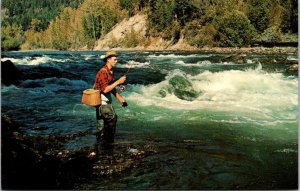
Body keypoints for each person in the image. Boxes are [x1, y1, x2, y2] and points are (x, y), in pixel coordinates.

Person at [94, 50, 127, 144]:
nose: (116, 61)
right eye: (115, 59)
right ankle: (109, 144)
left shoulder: (110, 71)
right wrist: (118, 82)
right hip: (103, 103)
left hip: (101, 104)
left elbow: (111, 87)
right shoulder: (103, 72)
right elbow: (105, 89)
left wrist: (120, 98)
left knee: (101, 127)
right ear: (108, 60)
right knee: (112, 119)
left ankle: (100, 146)